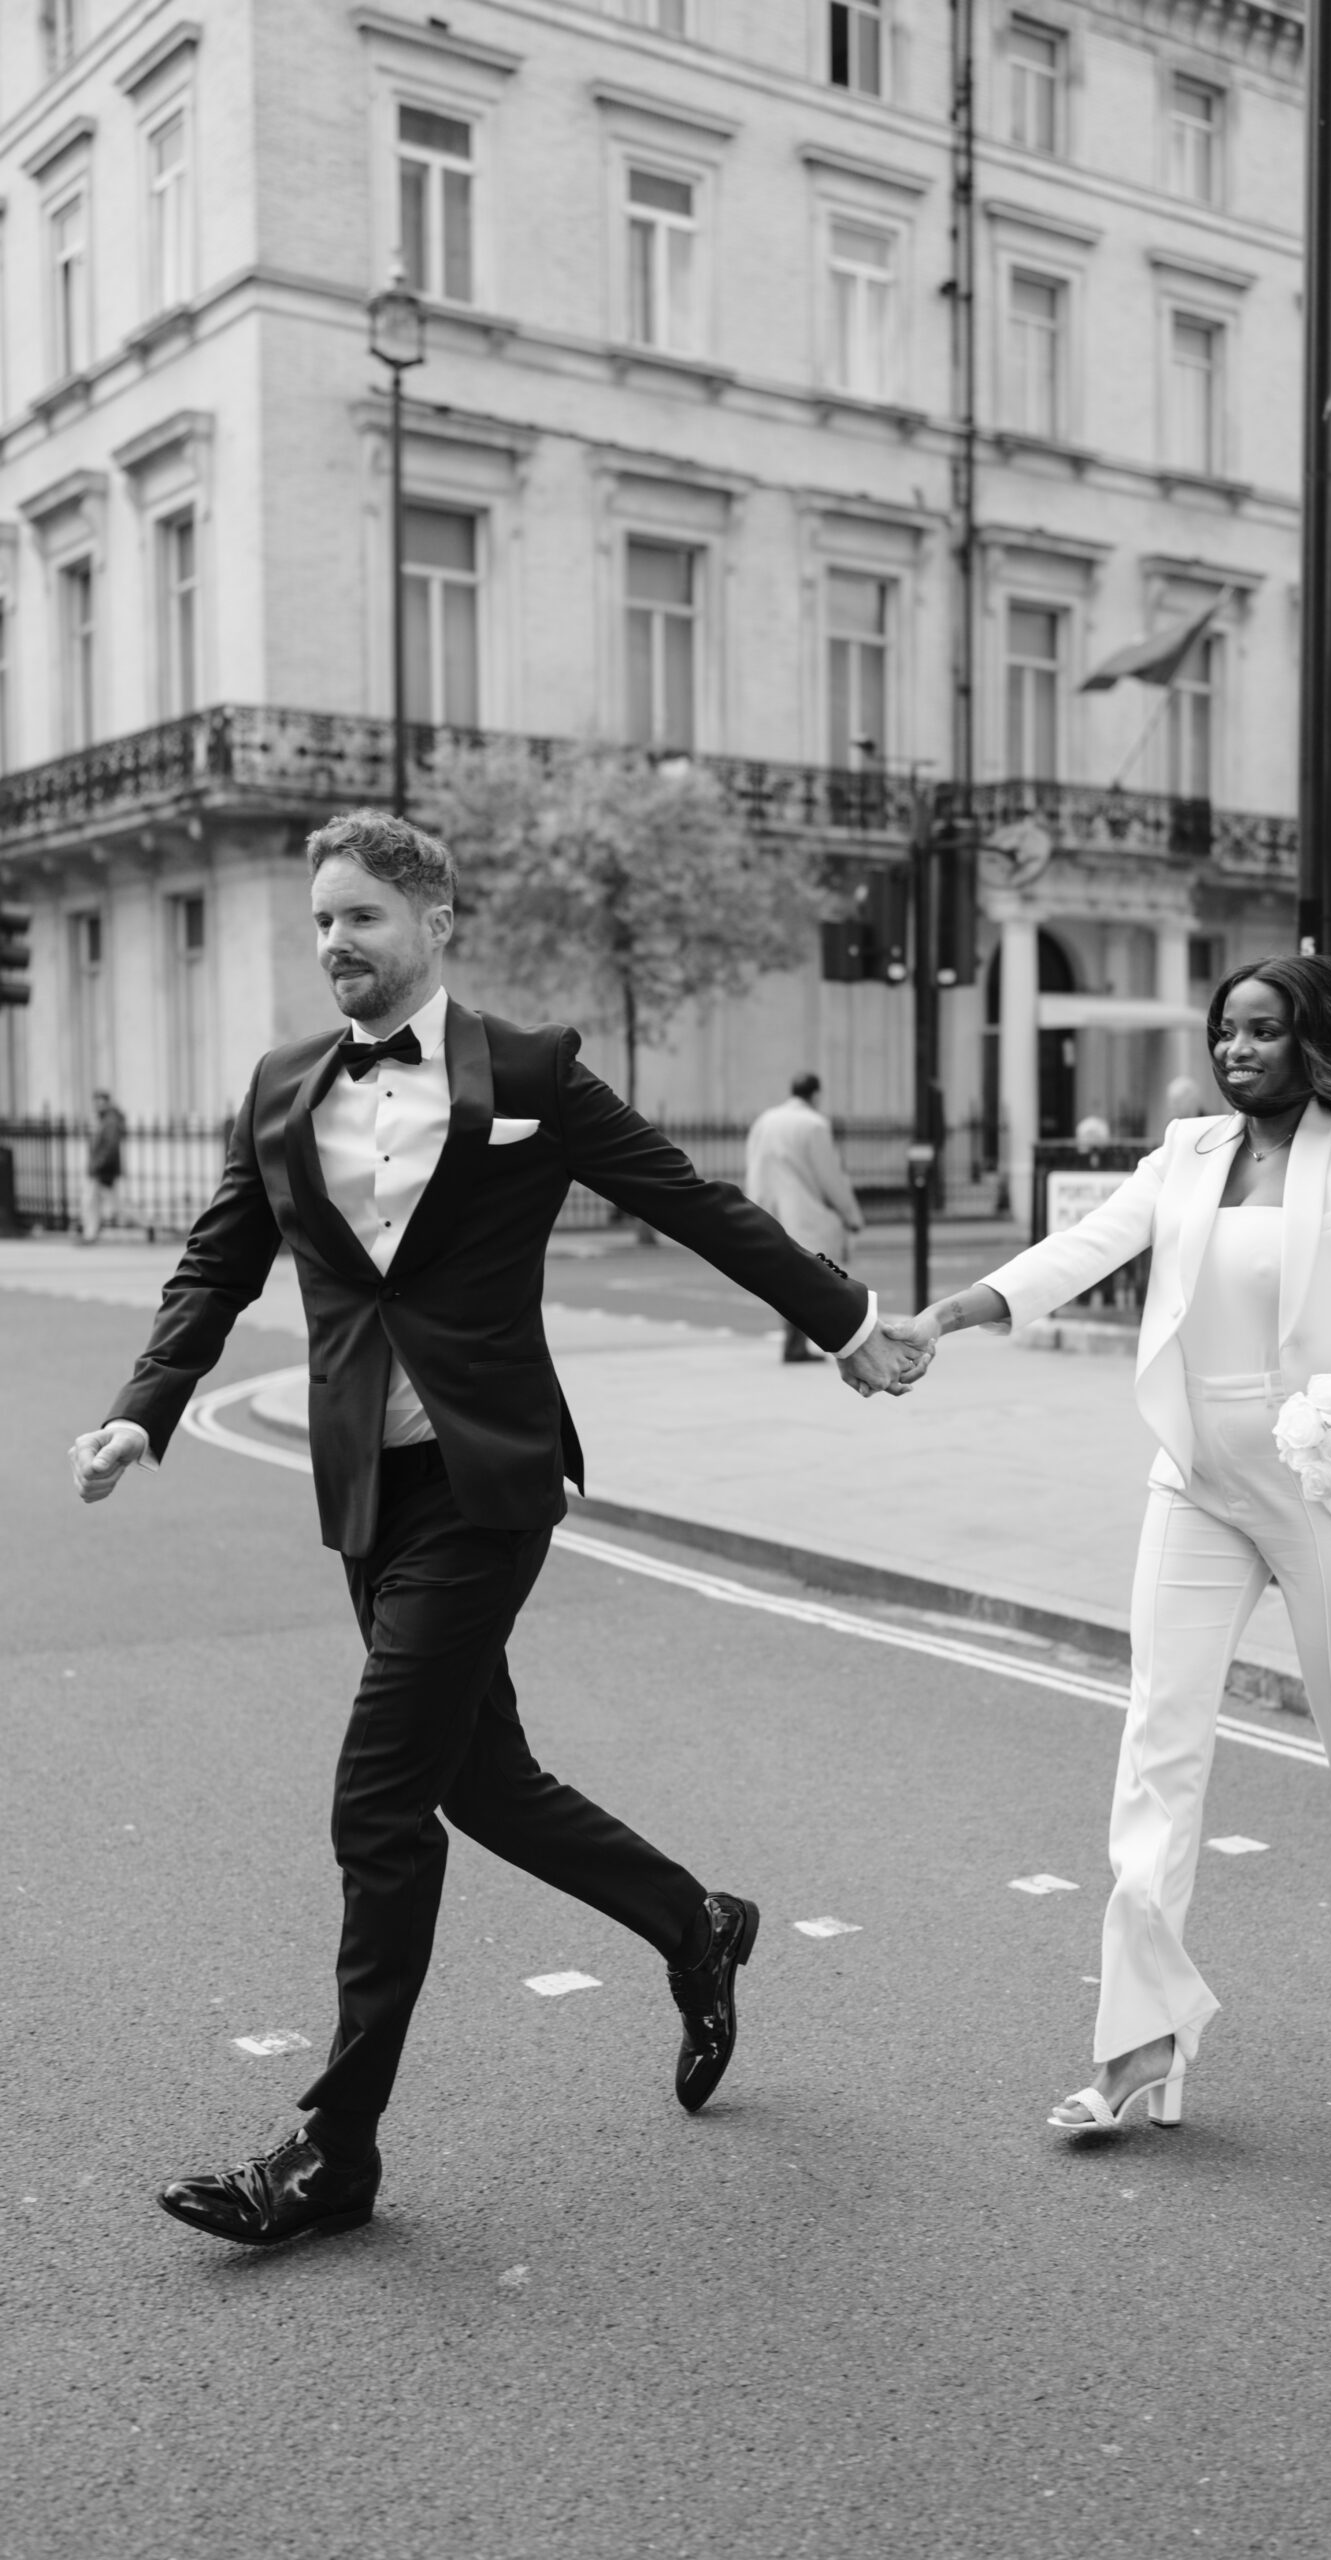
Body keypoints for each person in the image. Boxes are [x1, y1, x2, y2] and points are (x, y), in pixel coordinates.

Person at [68, 809, 920, 2250]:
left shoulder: (526, 1074)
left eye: (361, 918)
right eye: (319, 921)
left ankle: (332, 2155)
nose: (334, 942)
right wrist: (147, 1407)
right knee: (484, 1783)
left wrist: (841, 1321)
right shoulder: (281, 1086)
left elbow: (689, 1199)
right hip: (367, 1491)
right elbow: (215, 1262)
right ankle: (694, 1922)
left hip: (488, 1487)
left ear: (435, 922)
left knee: (379, 1794)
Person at [882, 954, 1331, 2137]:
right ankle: (1142, 2040)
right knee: (1158, 1742)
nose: (1237, 1050)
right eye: (1226, 1030)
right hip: (1198, 1485)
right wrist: (947, 1316)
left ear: (1310, 1039)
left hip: (1329, 1486)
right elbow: (1077, 1254)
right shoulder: (1185, 1153)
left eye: (1263, 1031)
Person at [744, 1073, 864, 1363]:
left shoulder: (765, 1120)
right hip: (805, 1214)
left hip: (767, 1210)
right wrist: (851, 1214)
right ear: (815, 1095)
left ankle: (794, 1342)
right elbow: (830, 1177)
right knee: (811, 1280)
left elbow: (753, 1163)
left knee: (786, 1280)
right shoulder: (814, 1125)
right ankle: (804, 1343)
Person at [81, 1090, 125, 1244]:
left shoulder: (110, 1121)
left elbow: (110, 1147)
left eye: (100, 1102)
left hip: (104, 1170)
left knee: (111, 1205)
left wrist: (99, 1164)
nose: (96, 1106)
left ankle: (90, 1234)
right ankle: (90, 1233)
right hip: (101, 1169)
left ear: (106, 1103)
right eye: (95, 1102)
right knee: (92, 1202)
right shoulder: (102, 1120)